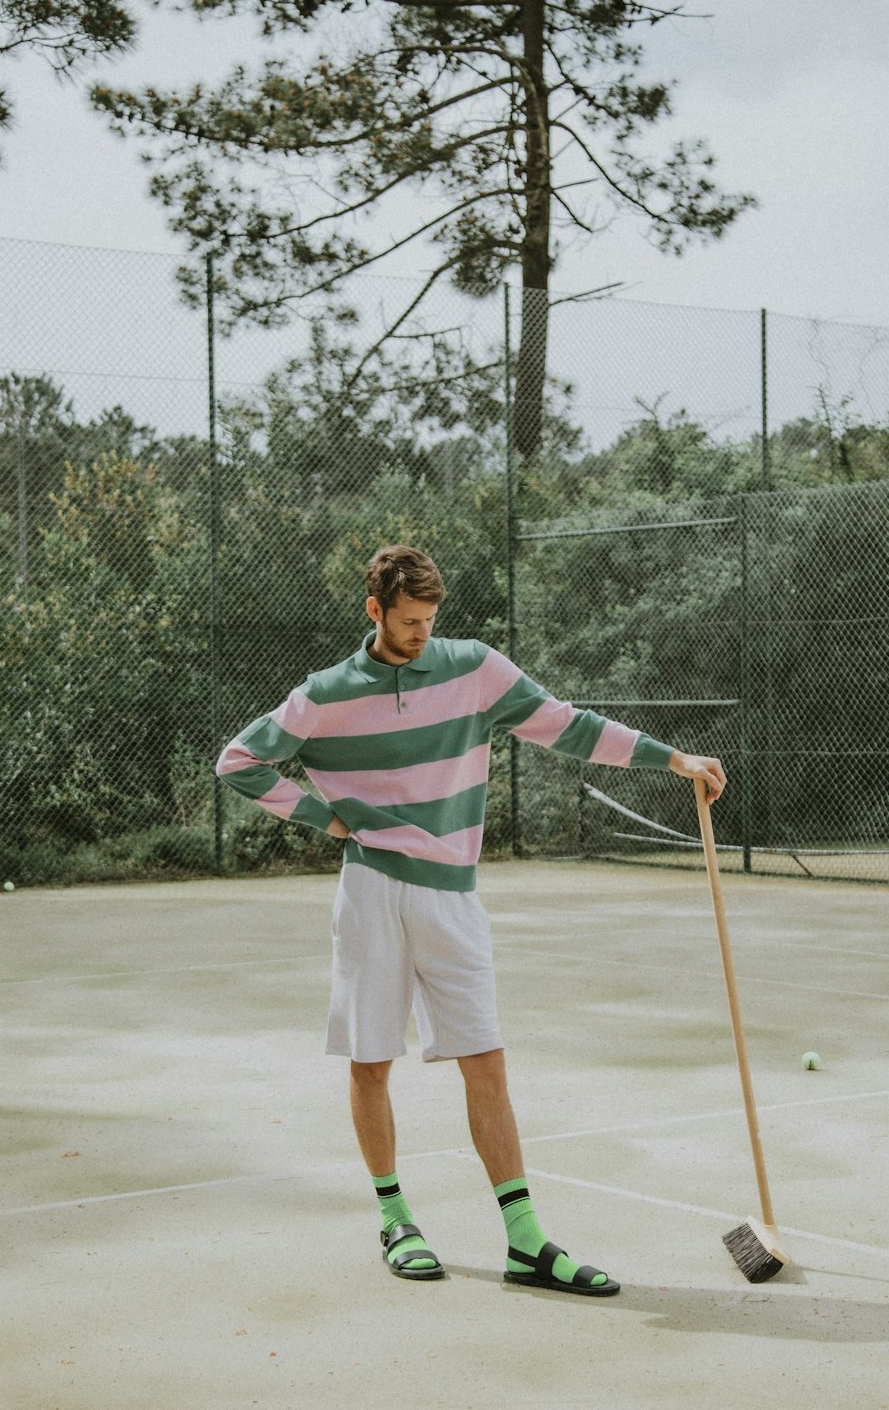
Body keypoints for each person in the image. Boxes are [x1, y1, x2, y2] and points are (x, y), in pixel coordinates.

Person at [216, 544, 726, 1297]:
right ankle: (396, 1218)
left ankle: (526, 1242)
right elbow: (238, 761)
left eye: (429, 620)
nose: (422, 633)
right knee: (371, 1060)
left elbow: (566, 725)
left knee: (485, 1059)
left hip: (452, 895)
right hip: (371, 892)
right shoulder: (324, 695)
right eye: (408, 621)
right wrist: (327, 820)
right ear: (375, 612)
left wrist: (671, 758)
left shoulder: (476, 669)